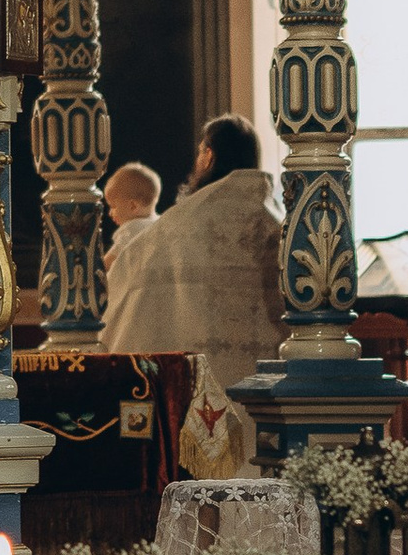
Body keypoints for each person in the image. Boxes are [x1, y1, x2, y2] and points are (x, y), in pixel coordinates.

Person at [97, 116, 287, 475]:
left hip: (199, 403)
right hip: (268, 411)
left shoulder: (176, 228)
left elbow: (121, 296)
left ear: (208, 156)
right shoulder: (279, 227)